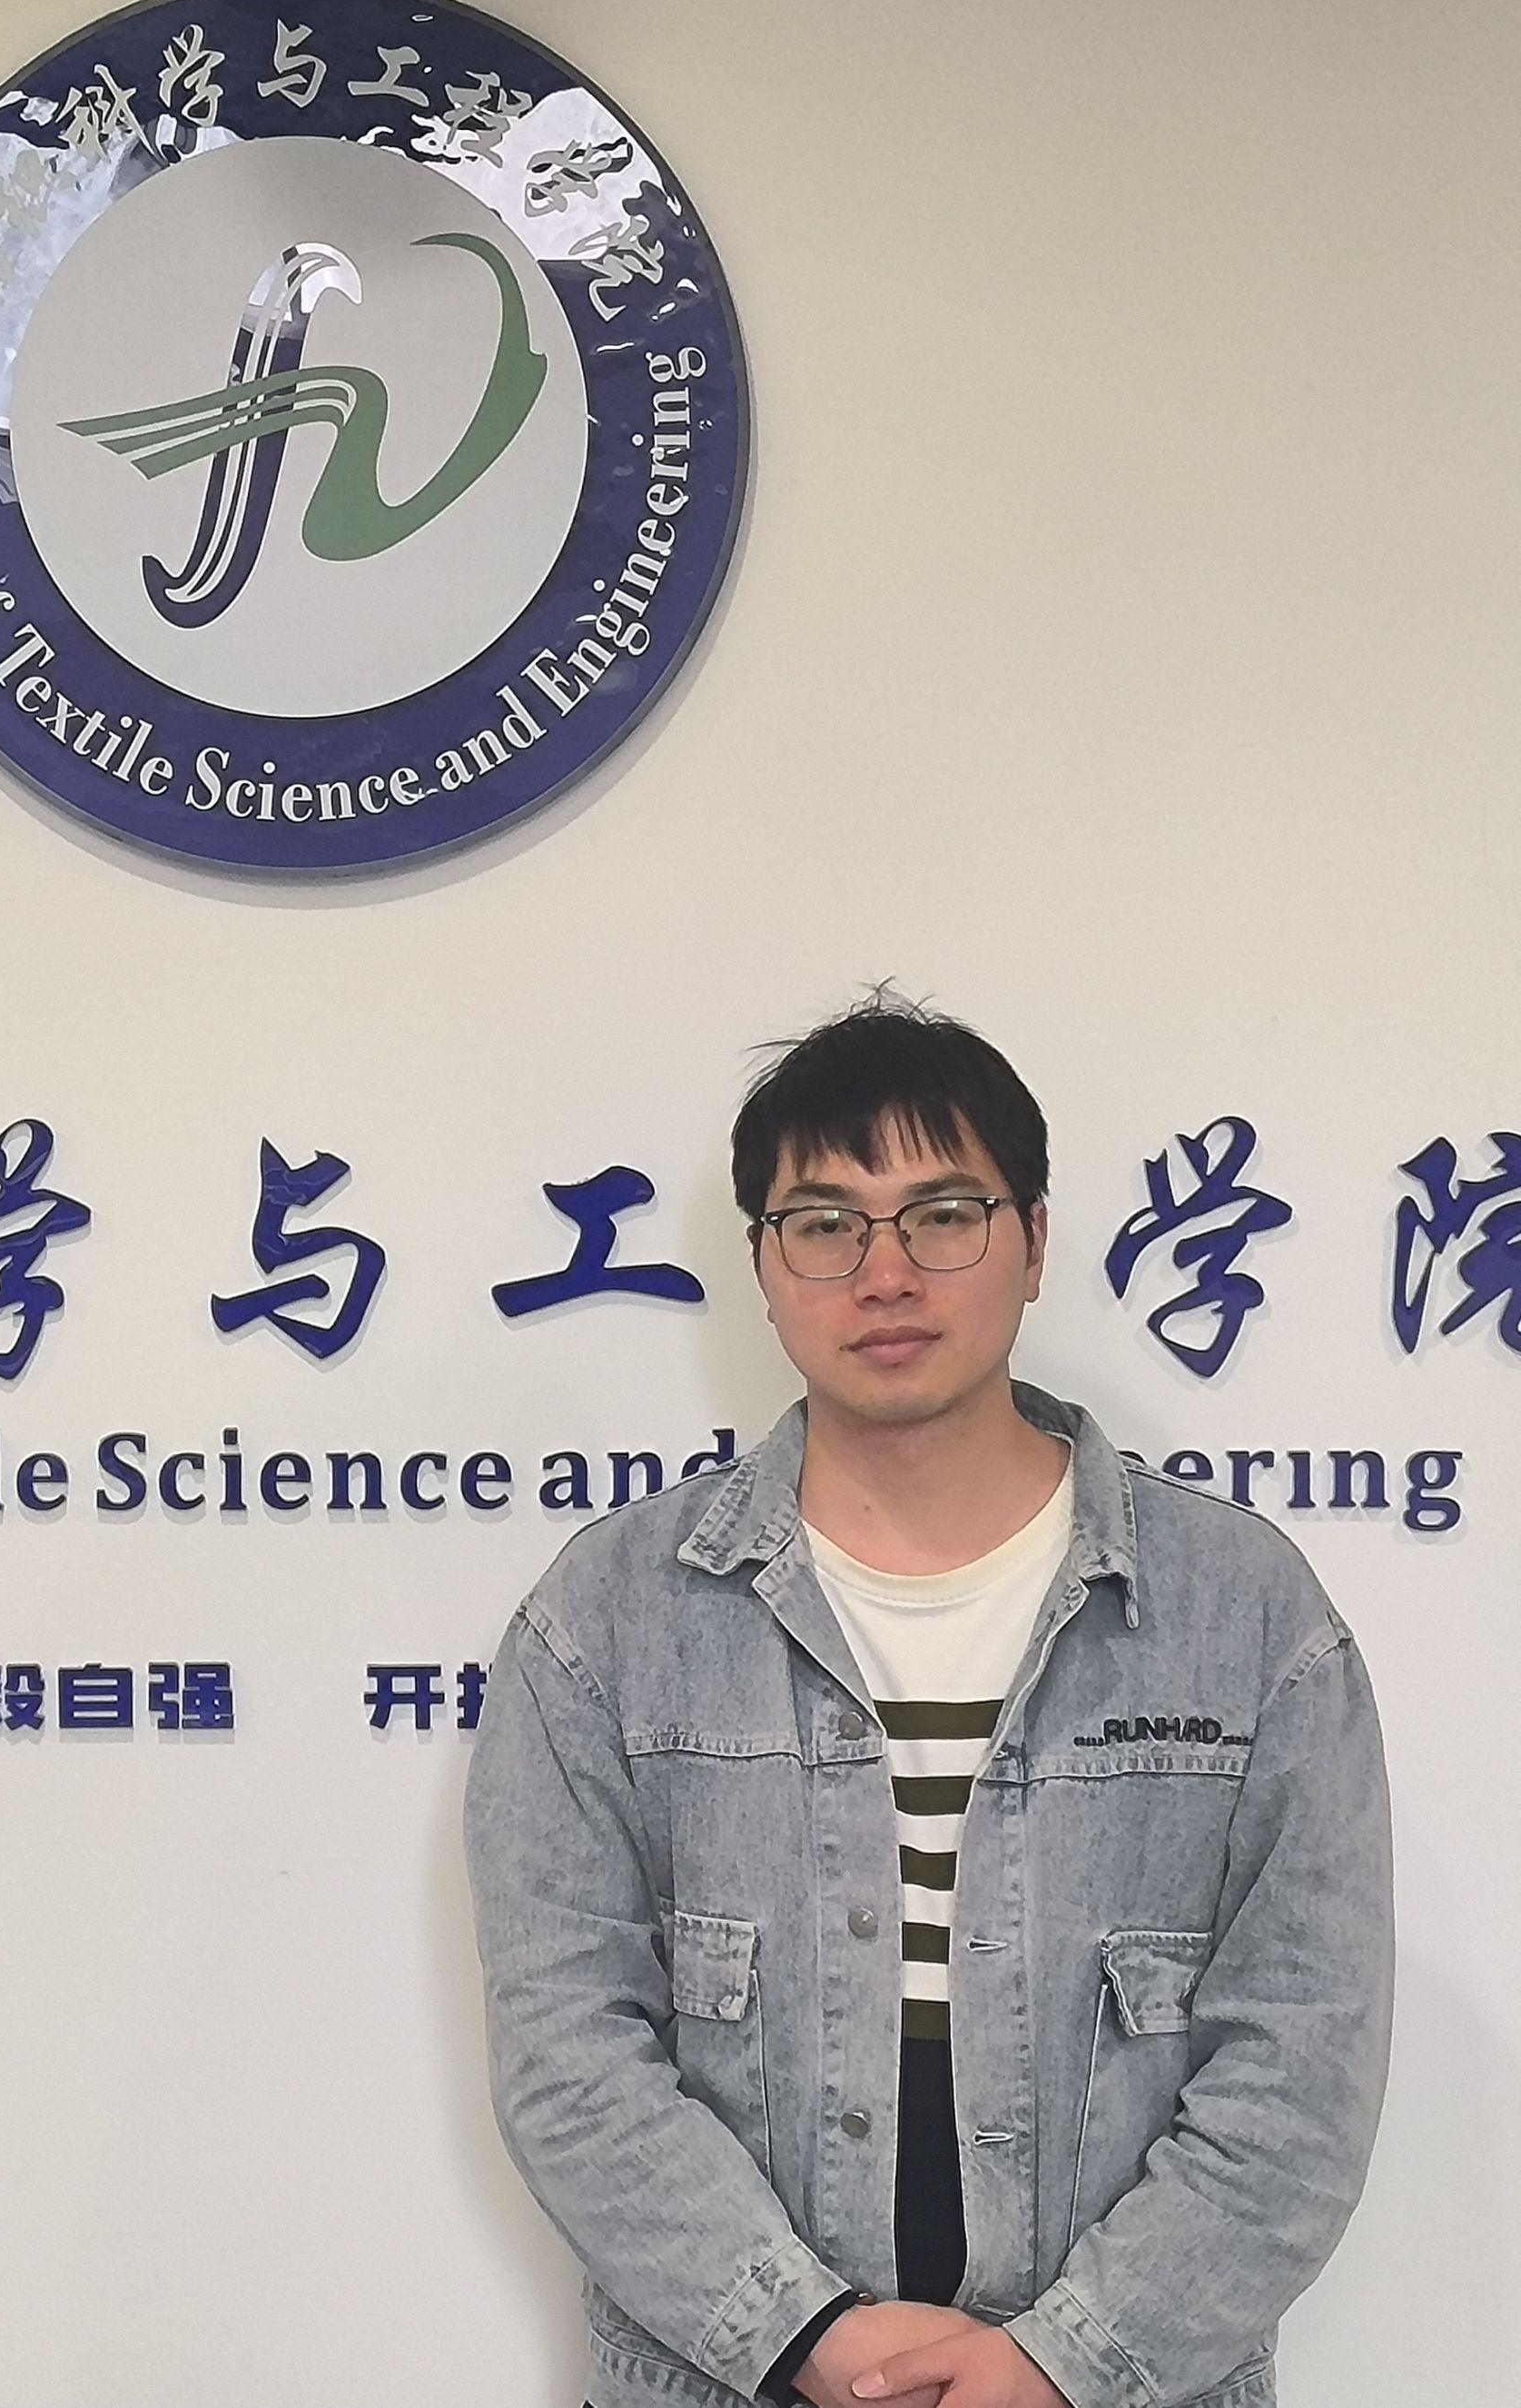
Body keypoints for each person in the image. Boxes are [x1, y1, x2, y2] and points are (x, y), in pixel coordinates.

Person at [463, 996, 1393, 2408]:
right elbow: (567, 2050)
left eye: (944, 1214)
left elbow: (1303, 2063)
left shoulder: (1245, 1616)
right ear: (764, 1264)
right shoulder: (608, 1619)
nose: (884, 1272)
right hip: (729, 2379)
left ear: (1035, 1241)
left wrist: (1062, 2363)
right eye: (825, 1223)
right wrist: (807, 2336)